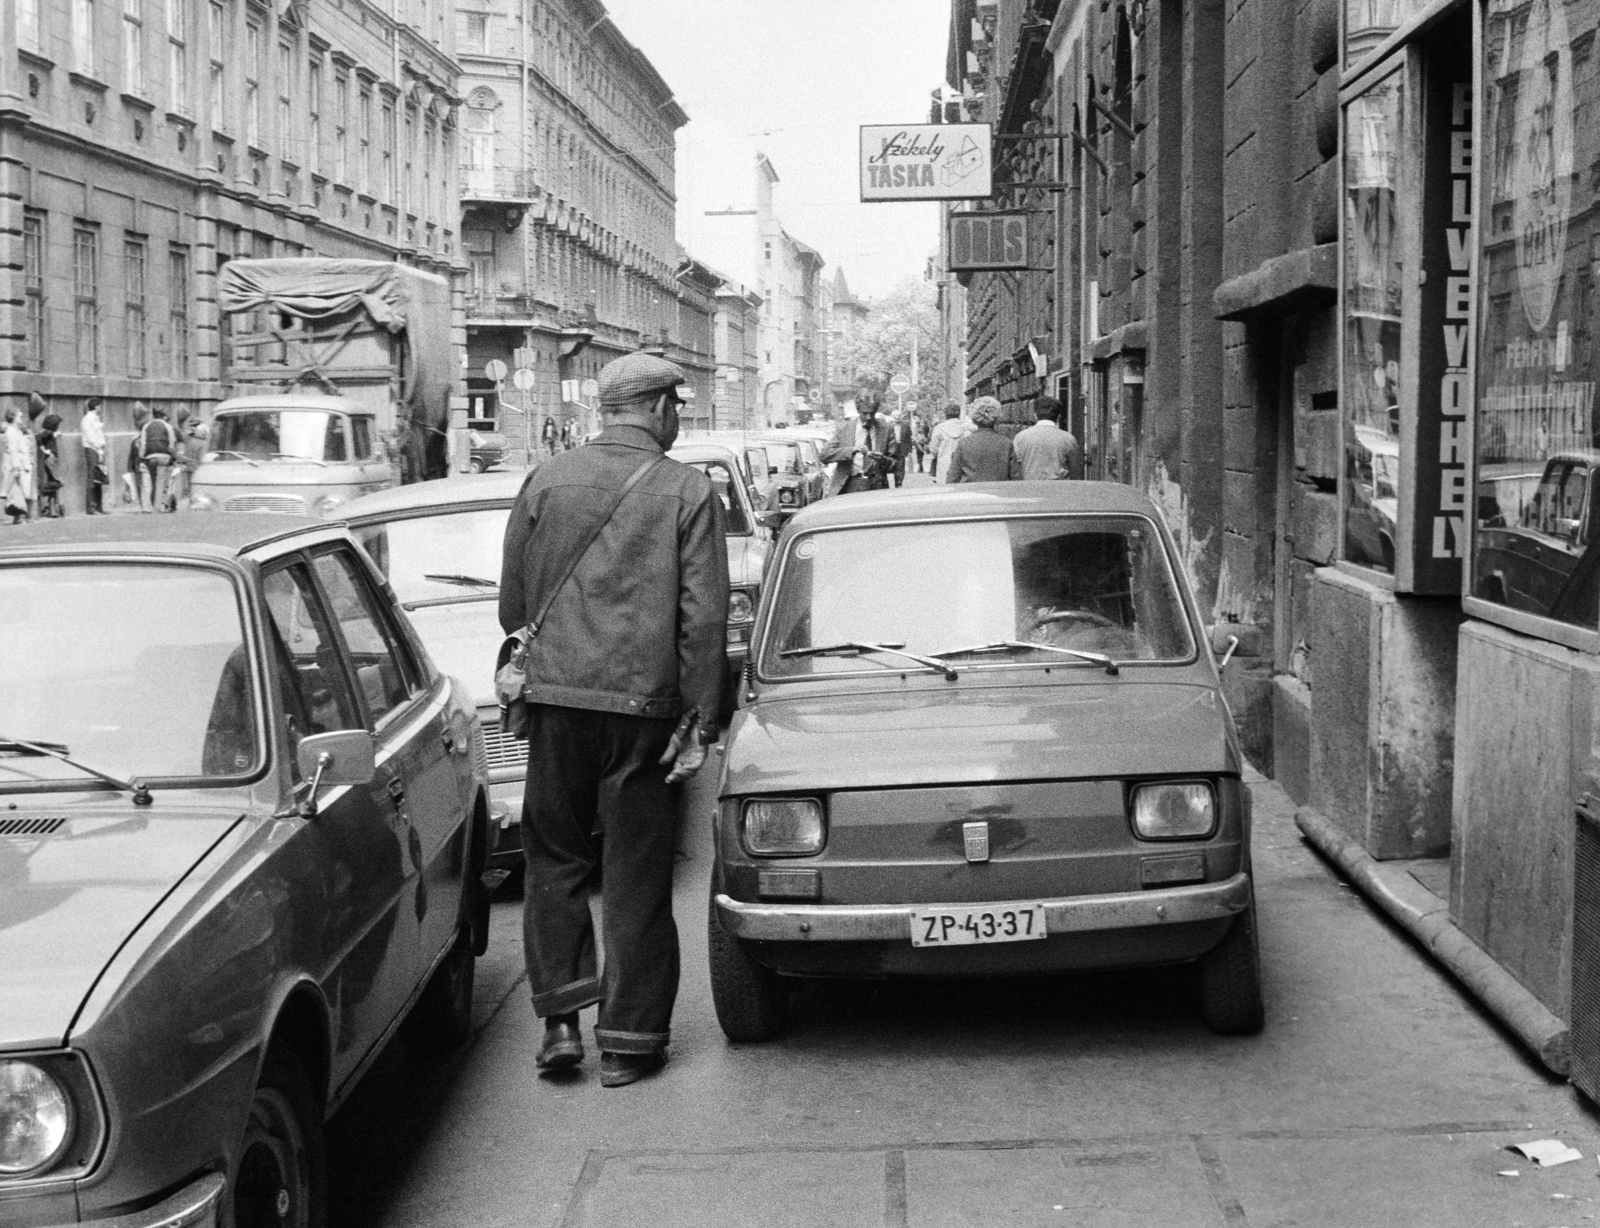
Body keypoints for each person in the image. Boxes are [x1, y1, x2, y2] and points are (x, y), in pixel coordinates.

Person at [499, 351, 729, 1089]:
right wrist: (699, 719)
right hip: (644, 711)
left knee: (556, 858)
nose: (678, 418)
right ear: (659, 407)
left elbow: (515, 603)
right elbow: (703, 620)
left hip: (558, 701)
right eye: (677, 406)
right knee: (634, 868)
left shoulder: (545, 480)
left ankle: (561, 1022)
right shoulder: (688, 491)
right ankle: (628, 1040)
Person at [822, 393, 899, 494]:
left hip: (877, 486)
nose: (868, 417)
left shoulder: (886, 429)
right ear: (858, 410)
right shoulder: (845, 428)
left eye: (872, 413)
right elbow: (824, 455)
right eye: (865, 413)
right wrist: (851, 450)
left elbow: (896, 463)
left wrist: (883, 460)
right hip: (850, 484)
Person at [1011, 395, 1083, 481]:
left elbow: (1015, 471)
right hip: (1059, 490)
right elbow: (1076, 472)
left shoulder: (1021, 437)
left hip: (1029, 489)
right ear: (1059, 417)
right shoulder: (1068, 439)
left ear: (1035, 415)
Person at [949, 396, 1019, 483]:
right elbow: (1016, 477)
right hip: (999, 494)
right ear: (996, 418)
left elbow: (953, 477)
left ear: (974, 418)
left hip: (972, 493)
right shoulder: (1006, 443)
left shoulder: (963, 444)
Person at [140, 405, 178, 512]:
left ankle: (148, 506)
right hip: (163, 457)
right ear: (163, 416)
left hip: (150, 458)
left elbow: (143, 444)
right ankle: (158, 507)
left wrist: (141, 457)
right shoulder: (167, 426)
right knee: (160, 482)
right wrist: (174, 457)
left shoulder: (146, 426)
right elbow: (171, 445)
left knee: (151, 482)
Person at [2, 406, 35, 524]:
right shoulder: (11, 431)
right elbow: (13, 450)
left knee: (20, 490)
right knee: (15, 490)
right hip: (16, 465)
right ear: (13, 417)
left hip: (22, 464)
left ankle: (19, 516)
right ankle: (14, 517)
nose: (22, 418)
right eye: (19, 416)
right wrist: (16, 467)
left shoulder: (18, 431)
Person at [929, 401, 973, 484]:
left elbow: (933, 448)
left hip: (944, 464)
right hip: (963, 465)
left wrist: (938, 454)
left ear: (946, 414)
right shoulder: (967, 427)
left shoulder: (939, 428)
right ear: (959, 414)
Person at [82, 397, 108, 515]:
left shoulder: (95, 419)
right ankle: (91, 507)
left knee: (99, 477)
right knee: (92, 477)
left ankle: (99, 506)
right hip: (92, 449)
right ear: (96, 407)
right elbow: (91, 437)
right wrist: (98, 449)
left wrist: (101, 451)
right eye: (100, 406)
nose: (101, 408)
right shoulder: (88, 419)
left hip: (98, 450)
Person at [35, 414, 63, 518]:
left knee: (53, 482)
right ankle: (43, 493)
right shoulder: (49, 432)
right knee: (57, 482)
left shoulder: (50, 432)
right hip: (51, 459)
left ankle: (52, 509)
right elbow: (38, 438)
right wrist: (45, 450)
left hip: (51, 459)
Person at [127, 403, 150, 509]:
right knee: (141, 484)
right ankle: (144, 504)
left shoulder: (137, 439)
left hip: (140, 464)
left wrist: (129, 467)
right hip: (139, 464)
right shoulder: (137, 439)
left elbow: (131, 455)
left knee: (142, 484)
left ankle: (144, 504)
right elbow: (132, 454)